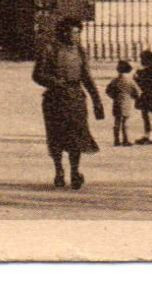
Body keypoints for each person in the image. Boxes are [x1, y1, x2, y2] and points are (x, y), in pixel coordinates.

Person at [32, 18, 105, 189]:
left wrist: (97, 101)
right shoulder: (49, 49)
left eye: (78, 32)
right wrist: (55, 82)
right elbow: (37, 75)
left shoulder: (80, 51)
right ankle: (59, 171)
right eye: (73, 32)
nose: (76, 36)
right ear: (63, 32)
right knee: (56, 136)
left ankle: (74, 172)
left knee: (76, 136)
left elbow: (86, 77)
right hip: (55, 98)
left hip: (76, 98)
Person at [105, 61, 140, 147]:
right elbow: (138, 92)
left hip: (116, 103)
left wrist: (113, 96)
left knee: (117, 122)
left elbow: (108, 90)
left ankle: (116, 140)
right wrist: (133, 97)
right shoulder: (130, 81)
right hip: (127, 103)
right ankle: (125, 140)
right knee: (125, 122)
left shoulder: (115, 80)